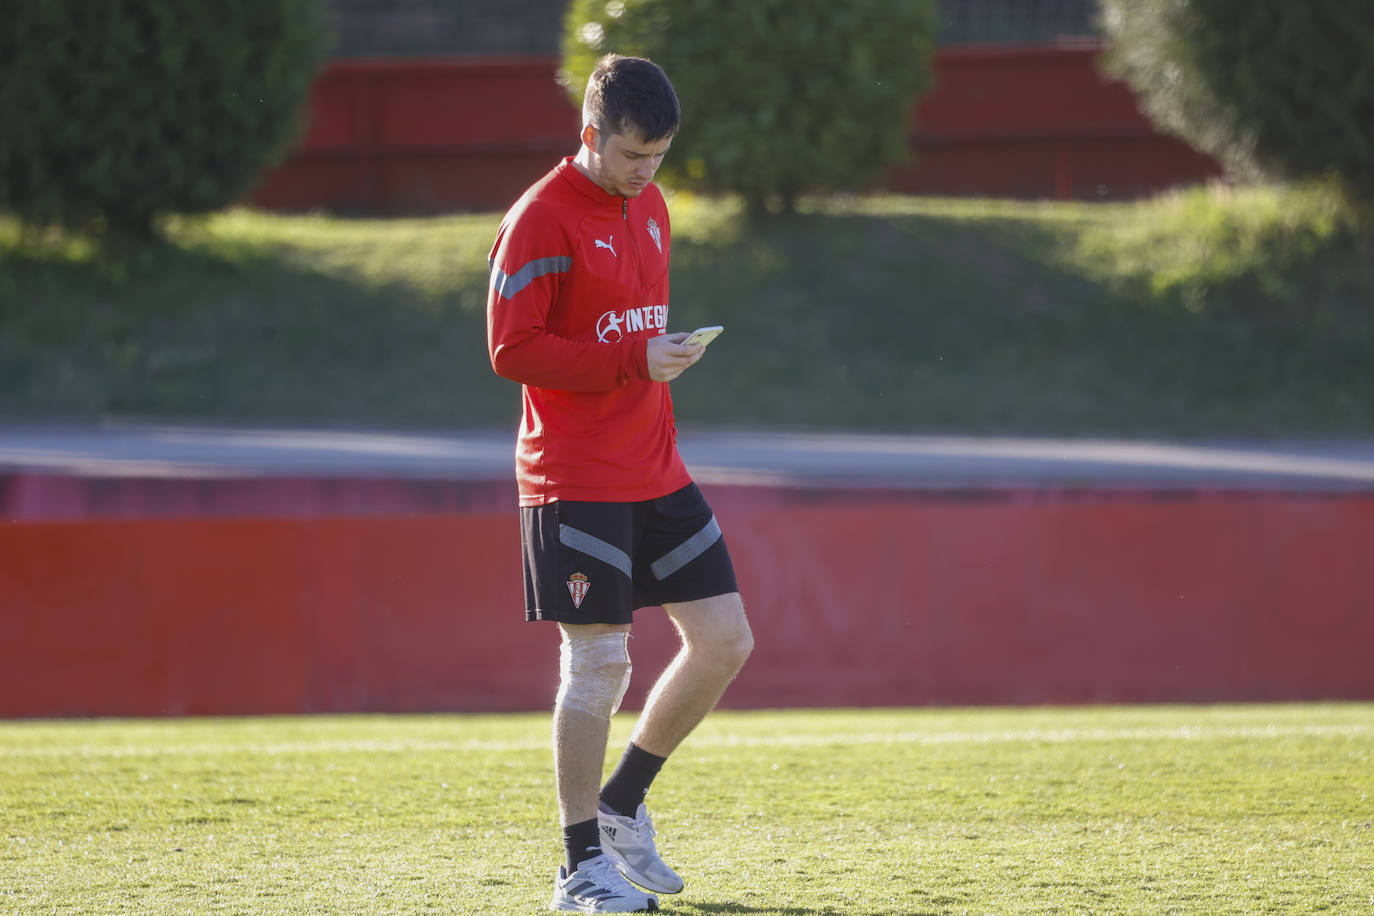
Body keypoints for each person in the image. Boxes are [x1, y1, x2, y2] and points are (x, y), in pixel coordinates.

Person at [486, 53, 754, 913]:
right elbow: (511, 349)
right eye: (634, 154)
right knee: (599, 661)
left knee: (726, 640)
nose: (648, 172)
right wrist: (632, 357)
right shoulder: (539, 218)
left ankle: (621, 806)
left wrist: (659, 354)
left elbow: (631, 329)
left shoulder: (653, 205)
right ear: (591, 135)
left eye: (661, 156)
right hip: (573, 474)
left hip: (655, 466)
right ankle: (577, 868)